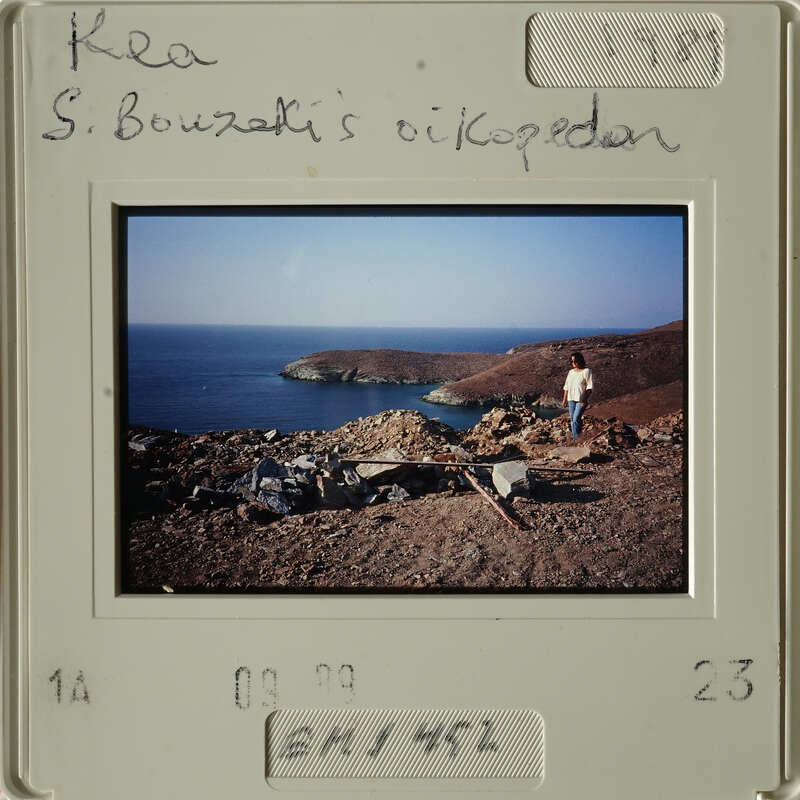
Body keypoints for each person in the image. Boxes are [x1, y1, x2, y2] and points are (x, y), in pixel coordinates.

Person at [561, 351, 593, 442]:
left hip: (580, 400)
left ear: (580, 361)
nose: (573, 363)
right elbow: (566, 386)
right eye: (571, 361)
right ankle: (578, 437)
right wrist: (564, 400)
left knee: (575, 419)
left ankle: (576, 440)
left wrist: (584, 400)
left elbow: (590, 387)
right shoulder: (571, 372)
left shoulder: (586, 371)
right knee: (572, 420)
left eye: (575, 361)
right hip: (571, 399)